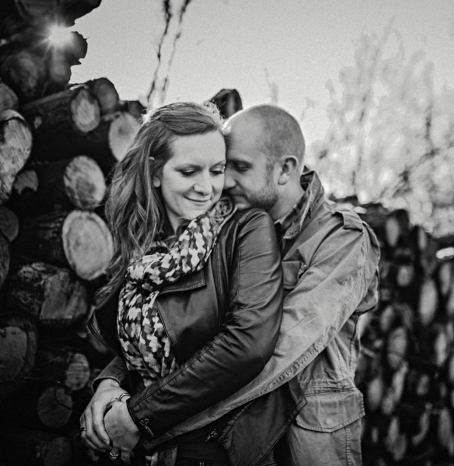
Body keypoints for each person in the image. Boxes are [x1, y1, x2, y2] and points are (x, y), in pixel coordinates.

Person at [81, 101, 304, 466]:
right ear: (155, 173)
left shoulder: (244, 230)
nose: (207, 188)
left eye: (216, 171)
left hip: (209, 451)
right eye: (189, 171)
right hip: (134, 451)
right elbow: (133, 350)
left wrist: (138, 415)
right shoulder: (142, 247)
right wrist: (108, 385)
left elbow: (247, 343)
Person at [160, 104, 381, 465]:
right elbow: (164, 314)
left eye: (241, 167)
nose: (225, 181)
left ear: (286, 169)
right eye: (224, 166)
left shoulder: (343, 239)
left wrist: (157, 418)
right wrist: (111, 383)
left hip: (305, 444)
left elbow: (275, 348)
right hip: (228, 445)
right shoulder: (224, 225)